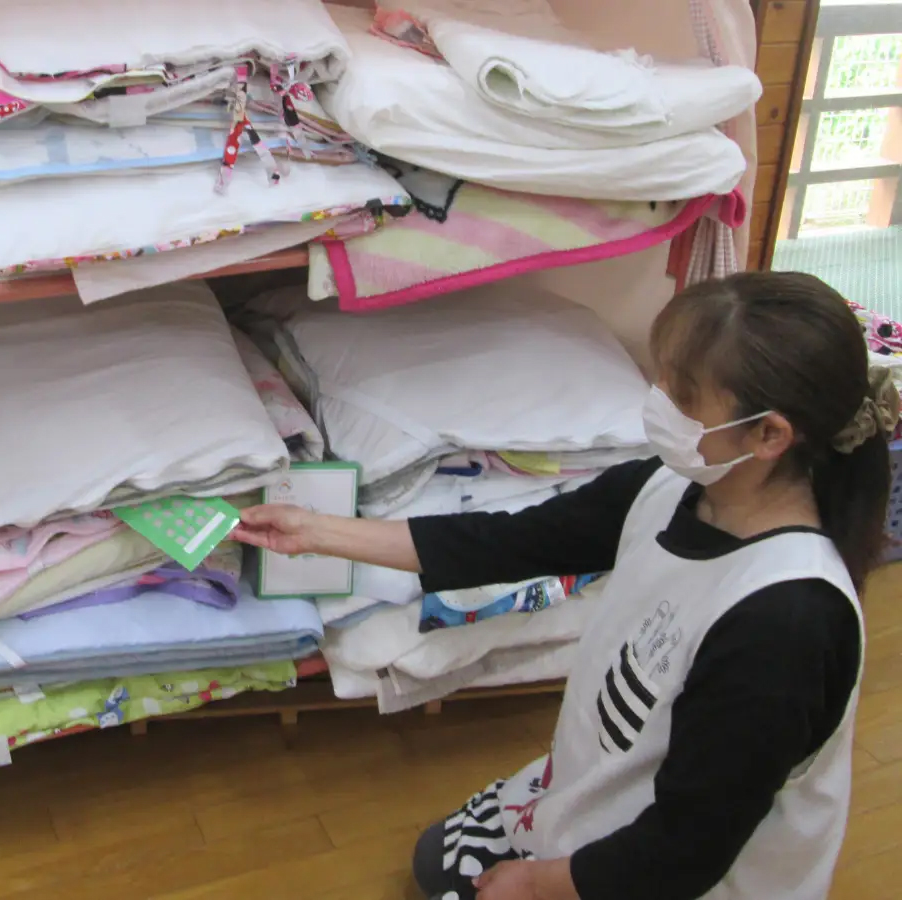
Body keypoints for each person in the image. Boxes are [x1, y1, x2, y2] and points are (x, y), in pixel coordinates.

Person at [233, 272, 900, 900]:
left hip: (686, 872)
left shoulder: (785, 623)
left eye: (683, 394)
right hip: (606, 789)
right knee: (436, 862)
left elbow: (689, 848)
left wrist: (538, 883)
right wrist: (318, 531)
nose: (656, 401)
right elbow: (509, 540)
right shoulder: (672, 486)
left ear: (770, 434)